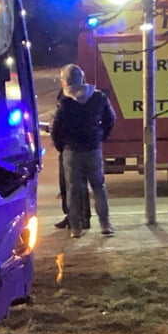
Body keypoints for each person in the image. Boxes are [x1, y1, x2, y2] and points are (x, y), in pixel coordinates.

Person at [50, 63, 116, 238]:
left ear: (66, 81)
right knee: (99, 187)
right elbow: (111, 118)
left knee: (73, 190)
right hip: (93, 149)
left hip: (72, 151)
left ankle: (76, 228)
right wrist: (101, 136)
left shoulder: (64, 101)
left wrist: (61, 146)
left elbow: (56, 128)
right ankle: (105, 225)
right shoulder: (98, 97)